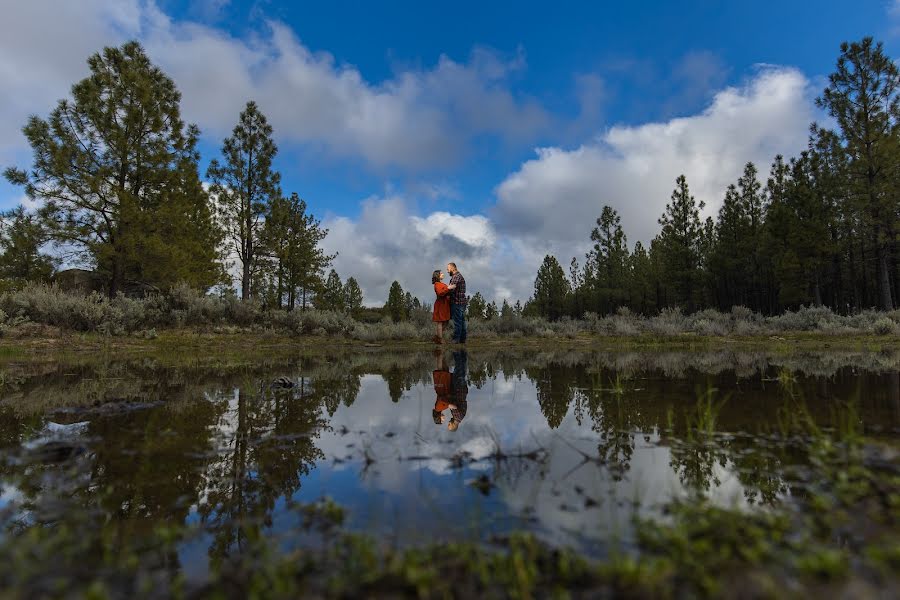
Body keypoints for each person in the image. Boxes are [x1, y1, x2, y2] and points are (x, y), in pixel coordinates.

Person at [446, 262, 467, 344]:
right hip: (461, 302)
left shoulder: (456, 276)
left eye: (448, 269)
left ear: (452, 268)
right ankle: (462, 339)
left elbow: (453, 286)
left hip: (457, 302)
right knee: (461, 321)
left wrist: (445, 288)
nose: (447, 271)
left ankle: (456, 339)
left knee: (458, 322)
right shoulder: (457, 276)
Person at [431, 269, 451, 344]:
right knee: (440, 322)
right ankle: (440, 339)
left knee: (446, 321)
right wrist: (448, 288)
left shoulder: (441, 284)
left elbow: (446, 292)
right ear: (437, 275)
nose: (443, 274)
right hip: (440, 305)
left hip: (445, 304)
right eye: (441, 273)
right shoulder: (437, 284)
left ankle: (437, 337)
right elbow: (440, 293)